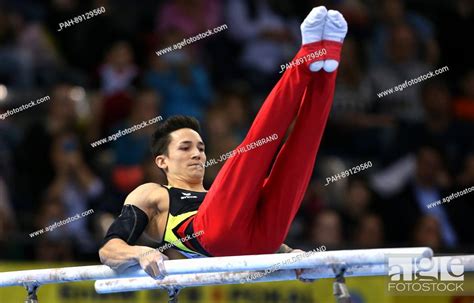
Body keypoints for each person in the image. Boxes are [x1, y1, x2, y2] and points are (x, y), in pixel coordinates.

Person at [99, 6, 347, 280]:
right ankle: (310, 56)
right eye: (185, 147)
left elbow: (253, 228)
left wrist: (291, 254)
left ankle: (324, 59)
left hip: (259, 243)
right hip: (216, 236)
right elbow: (109, 250)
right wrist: (139, 253)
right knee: (272, 147)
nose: (197, 154)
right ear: (162, 161)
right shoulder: (153, 194)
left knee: (297, 151)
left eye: (201, 148)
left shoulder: (219, 194)